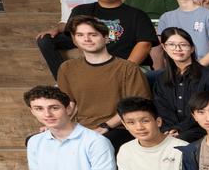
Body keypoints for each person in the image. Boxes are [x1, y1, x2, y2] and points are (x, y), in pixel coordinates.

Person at [56, 15, 152, 150]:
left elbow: (135, 106)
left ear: (106, 38)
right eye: (80, 35)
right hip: (83, 128)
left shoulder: (127, 68)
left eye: (93, 34)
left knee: (97, 144)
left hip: (119, 128)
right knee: (38, 140)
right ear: (75, 40)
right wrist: (55, 124)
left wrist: (105, 127)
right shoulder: (67, 68)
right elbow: (69, 104)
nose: (86, 39)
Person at [39, 0, 157, 77]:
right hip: (95, 66)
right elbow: (74, 36)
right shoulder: (81, 11)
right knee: (45, 39)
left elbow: (145, 44)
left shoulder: (137, 14)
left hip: (129, 67)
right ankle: (62, 79)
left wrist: (124, 69)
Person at [150, 26, 209, 141]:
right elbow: (161, 108)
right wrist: (170, 129)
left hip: (201, 128)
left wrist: (179, 128)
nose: (177, 49)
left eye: (183, 45)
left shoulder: (208, 76)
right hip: (168, 130)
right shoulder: (161, 79)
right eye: (171, 44)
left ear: (192, 48)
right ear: (164, 47)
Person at [35, 0, 97, 77]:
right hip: (72, 33)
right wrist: (56, 29)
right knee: (44, 40)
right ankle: (62, 78)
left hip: (96, 32)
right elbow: (65, 21)